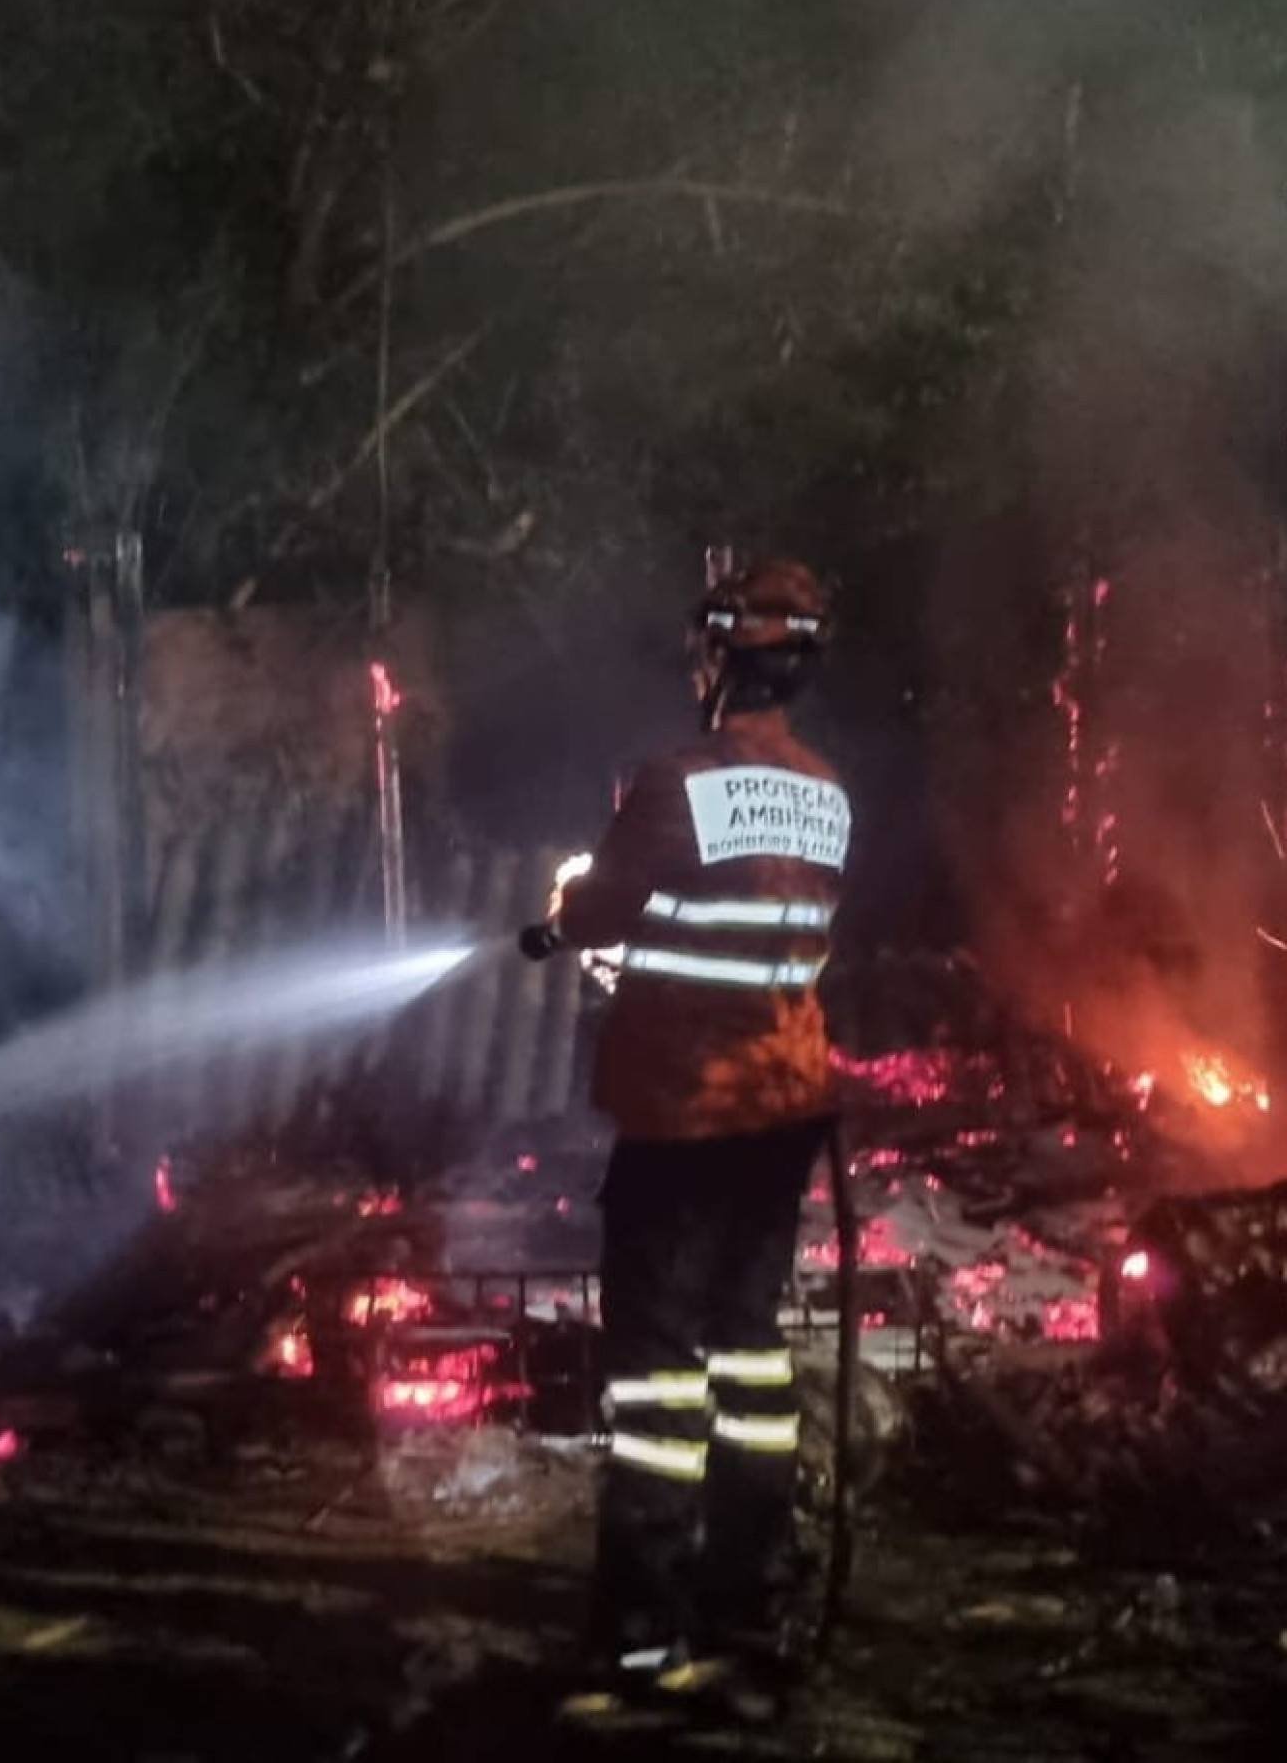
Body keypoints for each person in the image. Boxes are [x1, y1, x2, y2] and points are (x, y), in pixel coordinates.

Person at [519, 557, 851, 1726]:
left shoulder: (678, 781)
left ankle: (641, 1641)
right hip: (782, 1111)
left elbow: (603, 909)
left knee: (658, 1372)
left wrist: (562, 917)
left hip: (682, 1112)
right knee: (749, 1355)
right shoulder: (828, 795)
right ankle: (745, 1610)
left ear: (722, 659)